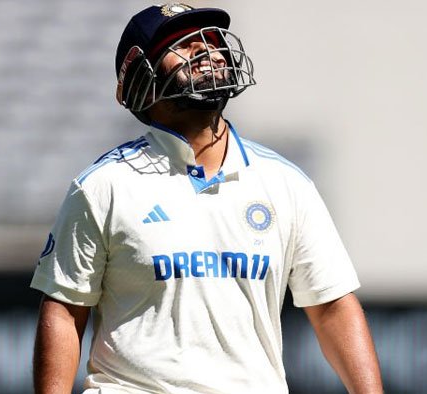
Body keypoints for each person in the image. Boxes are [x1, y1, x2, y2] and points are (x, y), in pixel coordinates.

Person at [31, 3, 383, 393]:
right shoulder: (102, 186)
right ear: (140, 79)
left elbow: (332, 306)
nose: (206, 50)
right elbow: (64, 312)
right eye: (180, 44)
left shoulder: (286, 183)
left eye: (213, 41)